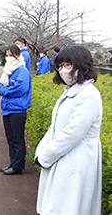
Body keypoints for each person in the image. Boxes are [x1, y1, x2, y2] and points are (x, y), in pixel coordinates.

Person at [35, 46, 102, 215]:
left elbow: (73, 133)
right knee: (59, 205)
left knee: (70, 206)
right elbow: (55, 126)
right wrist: (41, 151)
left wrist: (46, 155)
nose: (63, 70)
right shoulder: (70, 92)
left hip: (77, 158)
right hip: (62, 155)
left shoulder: (88, 94)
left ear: (81, 65)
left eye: (68, 65)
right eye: (60, 66)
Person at [0, 45, 31, 175]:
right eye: (6, 55)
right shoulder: (7, 71)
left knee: (17, 139)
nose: (8, 57)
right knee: (10, 138)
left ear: (17, 55)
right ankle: (12, 163)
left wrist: (6, 91)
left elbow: (21, 89)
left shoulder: (22, 71)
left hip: (17, 109)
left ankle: (18, 166)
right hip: (7, 108)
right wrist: (5, 91)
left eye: (11, 55)